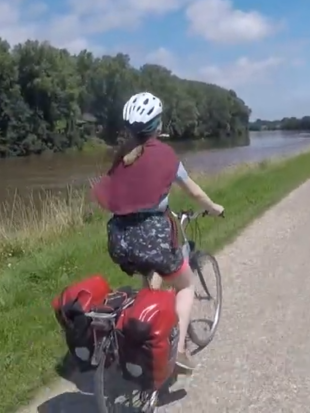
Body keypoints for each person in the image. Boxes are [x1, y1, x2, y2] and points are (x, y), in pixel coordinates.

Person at [90, 91, 225, 374]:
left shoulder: (122, 157)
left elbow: (106, 196)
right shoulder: (165, 155)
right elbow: (195, 191)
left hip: (119, 240)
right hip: (152, 237)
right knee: (184, 284)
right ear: (158, 125)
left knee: (151, 279)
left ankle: (142, 335)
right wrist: (214, 207)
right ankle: (179, 350)